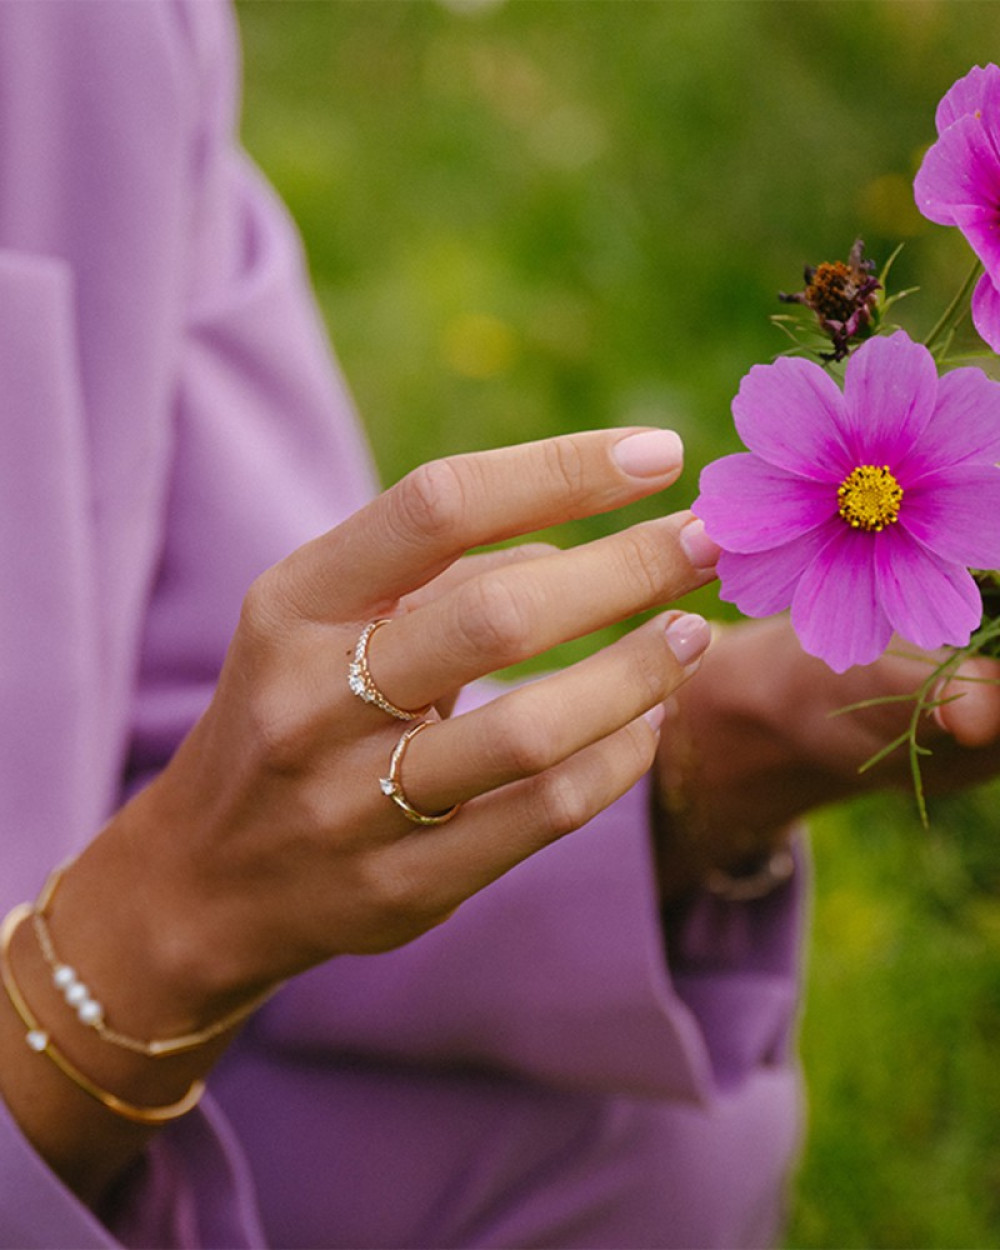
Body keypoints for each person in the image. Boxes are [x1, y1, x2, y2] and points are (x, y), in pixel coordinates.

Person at [1, 4, 999, 1248]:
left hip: (148, 1011)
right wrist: (152, 934)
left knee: (653, 1137)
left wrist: (703, 750)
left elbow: (252, 726)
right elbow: (209, 857)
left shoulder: (94, 30)